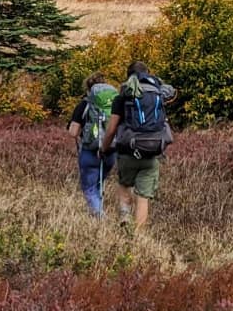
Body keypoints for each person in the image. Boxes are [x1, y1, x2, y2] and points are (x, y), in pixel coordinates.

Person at [99, 61, 175, 228]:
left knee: (124, 185)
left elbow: (111, 130)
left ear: (129, 76)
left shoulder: (122, 97)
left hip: (127, 152)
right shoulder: (157, 95)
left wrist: (103, 149)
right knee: (143, 197)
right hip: (152, 151)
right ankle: (138, 235)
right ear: (147, 74)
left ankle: (125, 217)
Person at [66, 72, 118, 217]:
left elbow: (73, 132)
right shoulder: (114, 104)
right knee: (99, 184)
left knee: (89, 188)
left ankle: (100, 218)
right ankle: (97, 213)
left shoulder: (84, 105)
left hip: (90, 151)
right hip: (111, 150)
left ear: (88, 89)